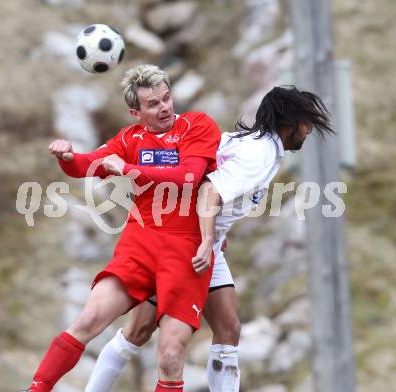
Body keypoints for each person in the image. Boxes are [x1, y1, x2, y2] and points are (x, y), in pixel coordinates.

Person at [84, 85, 335, 392]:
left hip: (200, 240)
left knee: (227, 328)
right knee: (141, 332)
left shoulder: (248, 142)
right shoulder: (259, 155)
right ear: (289, 122)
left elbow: (200, 171)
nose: (309, 129)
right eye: (306, 122)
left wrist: (215, 231)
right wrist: (204, 236)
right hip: (186, 245)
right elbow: (209, 190)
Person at [25, 64, 221, 392]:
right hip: (140, 242)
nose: (165, 108)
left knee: (170, 357)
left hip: (186, 248)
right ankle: (36, 389)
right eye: (153, 104)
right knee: (87, 321)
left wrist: (130, 170)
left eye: (167, 99)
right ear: (135, 112)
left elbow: (187, 176)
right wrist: (67, 157)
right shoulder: (129, 139)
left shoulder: (196, 125)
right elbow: (86, 165)